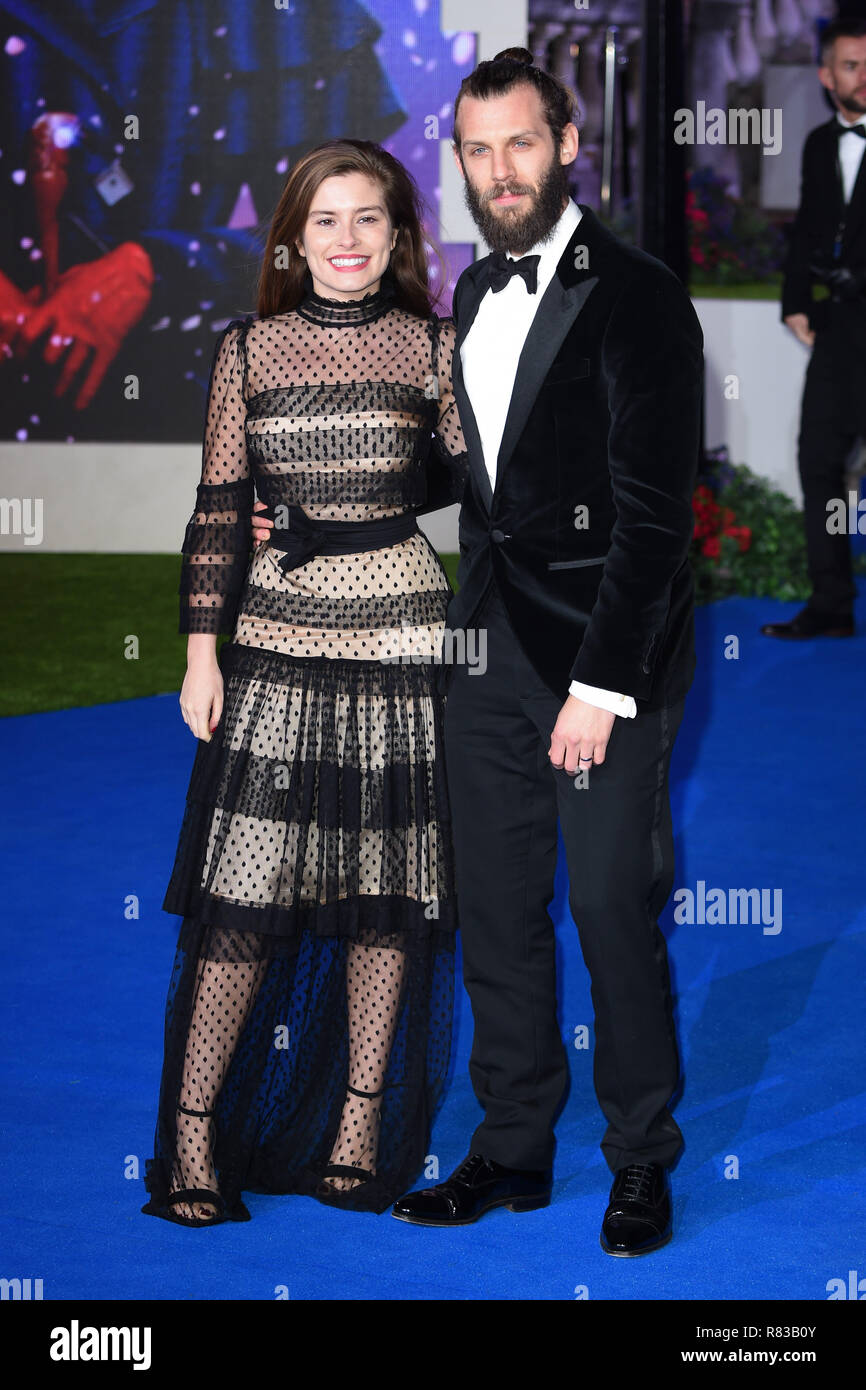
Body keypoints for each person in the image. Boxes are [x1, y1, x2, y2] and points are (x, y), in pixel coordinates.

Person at [386, 49, 704, 1256]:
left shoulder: (635, 296)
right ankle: (513, 1143)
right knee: (495, 908)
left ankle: (639, 1158)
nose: (497, 169)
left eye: (519, 142)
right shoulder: (469, 298)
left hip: (599, 666)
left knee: (608, 906)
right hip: (483, 657)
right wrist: (316, 511)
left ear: (565, 142)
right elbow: (478, 482)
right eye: (475, 149)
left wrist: (600, 686)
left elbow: (655, 522)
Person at [141, 138, 467, 1227]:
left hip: (402, 639)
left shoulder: (435, 349)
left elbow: (487, 481)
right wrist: (199, 647)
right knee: (242, 894)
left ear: (397, 235)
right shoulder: (246, 351)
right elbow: (218, 509)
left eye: (367, 218)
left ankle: (359, 1122)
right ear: (290, 235)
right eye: (324, 220)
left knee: (385, 897)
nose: (345, 240)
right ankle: (191, 1130)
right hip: (274, 636)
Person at [764, 17, 866, 640]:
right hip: (840, 330)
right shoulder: (818, 143)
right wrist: (794, 300)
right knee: (818, 461)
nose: (864, 77)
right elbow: (808, 229)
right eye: (852, 65)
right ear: (827, 76)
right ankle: (831, 603)